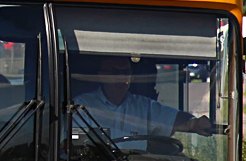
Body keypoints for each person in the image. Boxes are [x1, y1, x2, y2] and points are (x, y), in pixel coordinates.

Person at [74, 55, 213, 140]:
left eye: (126, 72)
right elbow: (70, 144)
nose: (122, 77)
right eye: (115, 72)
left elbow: (172, 118)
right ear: (101, 75)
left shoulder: (144, 107)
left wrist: (194, 123)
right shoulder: (83, 106)